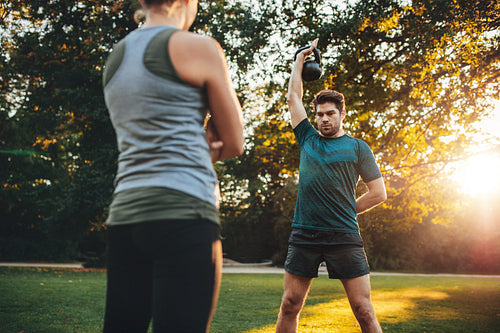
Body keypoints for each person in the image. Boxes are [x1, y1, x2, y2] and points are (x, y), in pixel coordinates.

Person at [101, 0, 244, 332]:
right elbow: (234, 141)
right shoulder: (199, 48)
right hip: (184, 213)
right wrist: (203, 141)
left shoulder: (116, 57)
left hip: (125, 216)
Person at [275, 39, 387, 333]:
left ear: (342, 114)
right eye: (320, 114)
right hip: (305, 235)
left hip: (344, 236)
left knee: (363, 310)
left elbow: (378, 193)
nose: (324, 119)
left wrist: (349, 210)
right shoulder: (308, 139)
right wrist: (299, 61)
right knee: (289, 304)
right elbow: (293, 98)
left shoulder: (358, 148)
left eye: (330, 114)